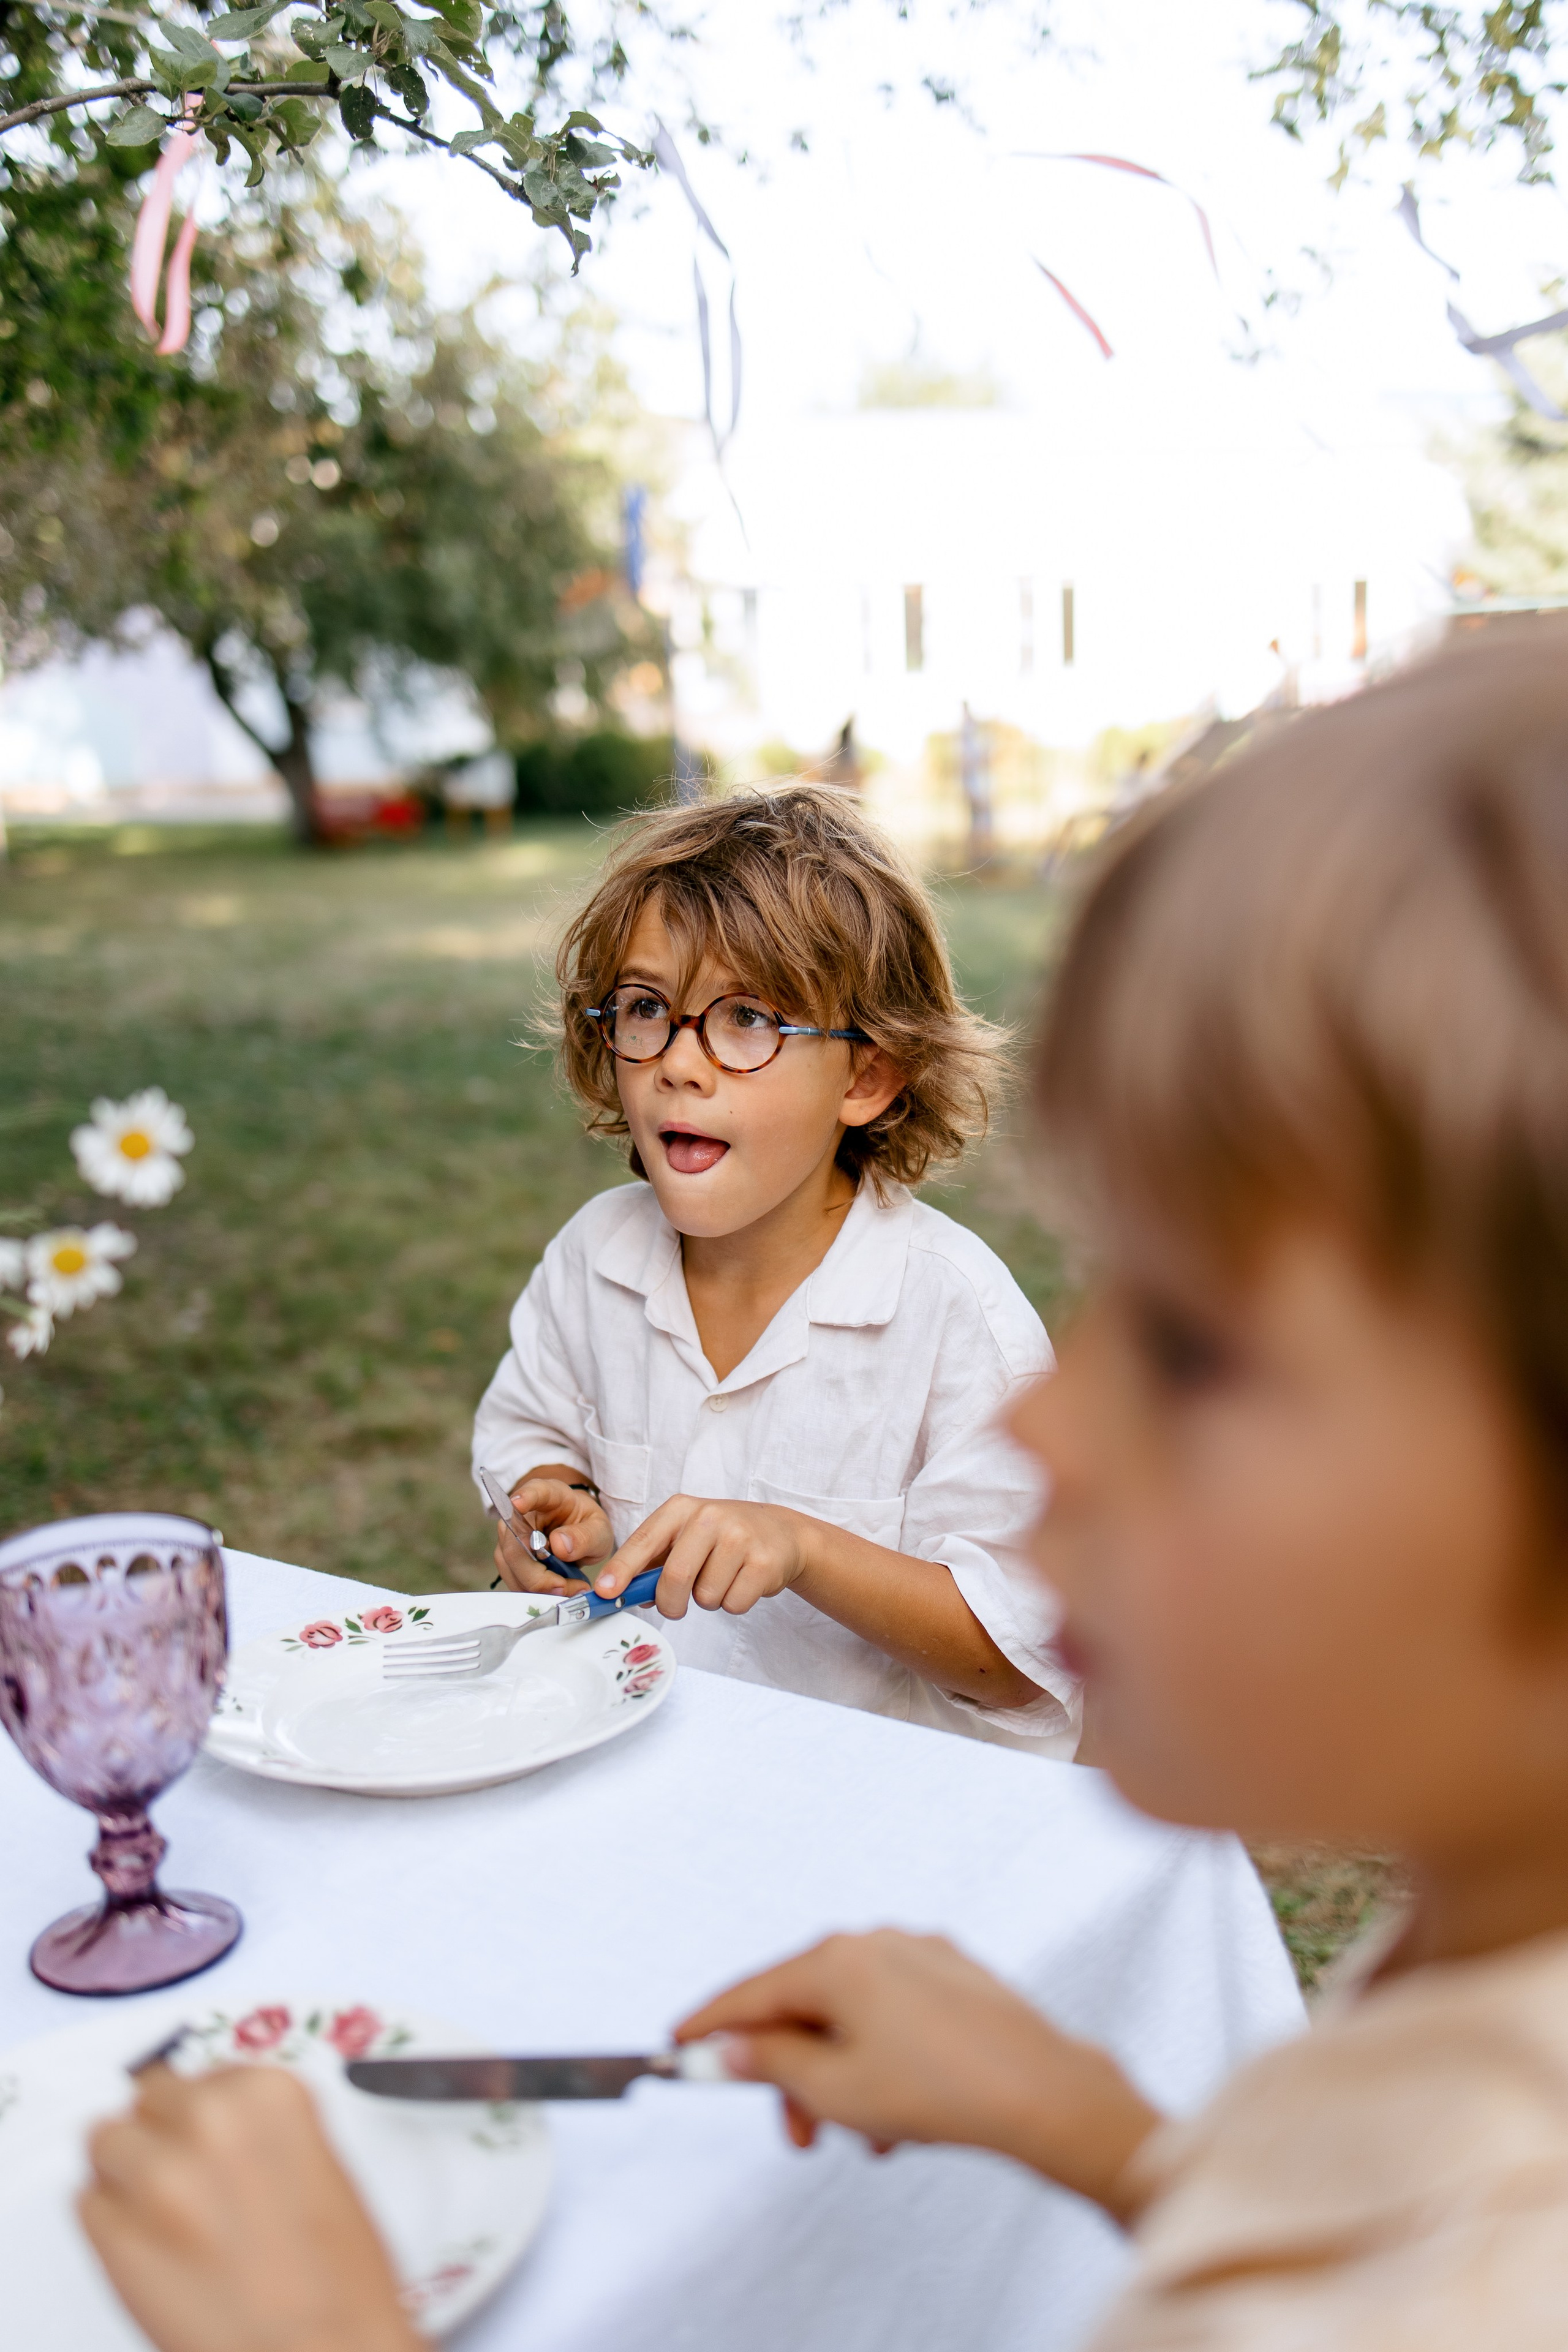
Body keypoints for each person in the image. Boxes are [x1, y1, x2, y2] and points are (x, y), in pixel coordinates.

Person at [81, 624, 1568, 2350]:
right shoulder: (1480, 1995)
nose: (1054, 1434)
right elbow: (1350, 2245)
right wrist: (1103, 2140)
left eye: (1196, 1348)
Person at [470, 783, 1078, 1752]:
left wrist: (806, 1549)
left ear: (869, 1077)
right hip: (633, 1768)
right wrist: (557, 1503)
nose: (679, 1062)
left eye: (748, 1018)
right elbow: (529, 1433)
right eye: (645, 1009)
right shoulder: (595, 1258)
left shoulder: (953, 1319)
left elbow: (1023, 1664)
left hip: (874, 1829)